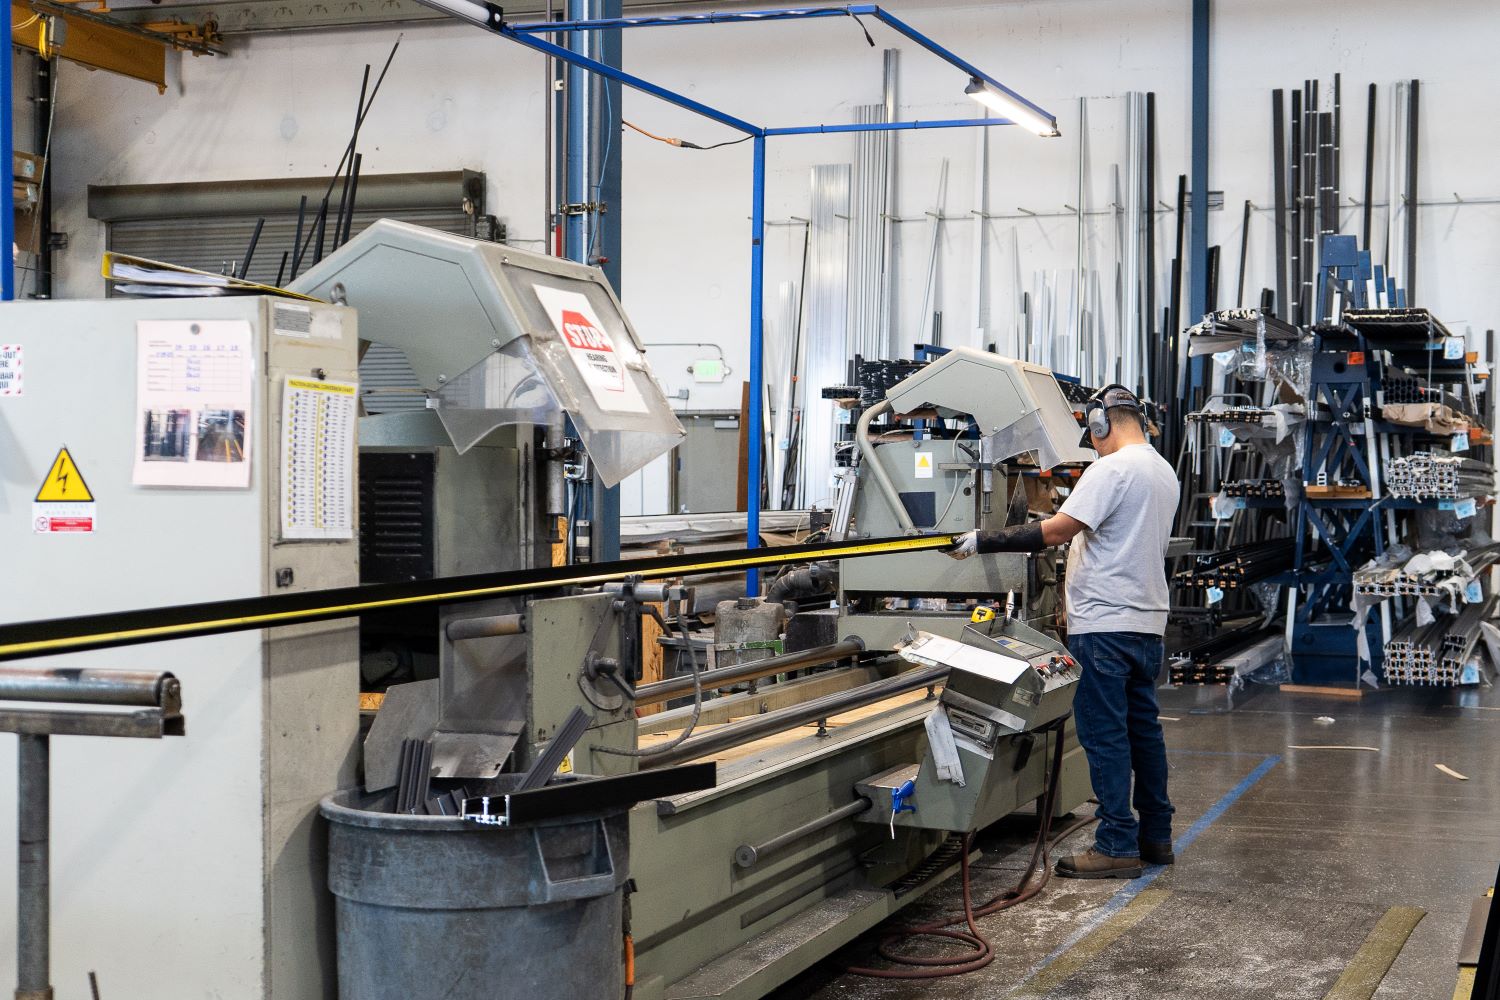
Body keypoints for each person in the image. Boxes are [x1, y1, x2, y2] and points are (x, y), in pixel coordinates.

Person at [947, 384, 1179, 879]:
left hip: (1104, 626)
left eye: (1090, 432)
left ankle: (1117, 843)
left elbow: (1055, 531)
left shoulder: (1111, 469)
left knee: (1106, 736)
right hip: (1147, 624)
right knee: (1144, 733)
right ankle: (1156, 836)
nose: (1090, 443)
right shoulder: (1163, 469)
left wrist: (980, 541)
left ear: (1101, 424)